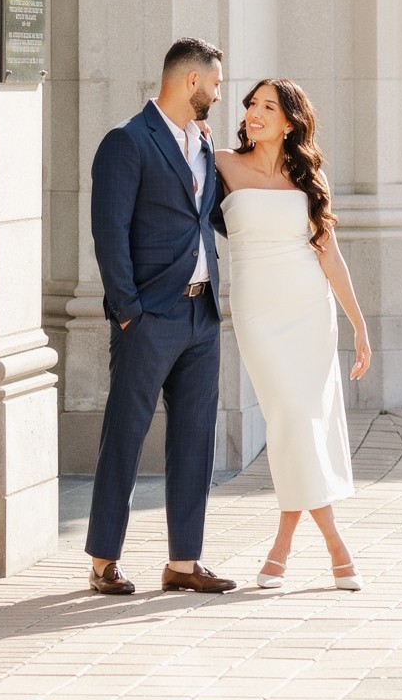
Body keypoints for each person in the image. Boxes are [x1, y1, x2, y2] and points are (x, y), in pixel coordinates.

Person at [85, 37, 238, 596]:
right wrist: (129, 313)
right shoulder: (127, 142)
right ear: (191, 81)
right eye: (216, 84)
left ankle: (184, 560)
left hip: (202, 315)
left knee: (195, 439)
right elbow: (110, 235)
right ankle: (104, 559)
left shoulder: (204, 142)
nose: (220, 95)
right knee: (124, 436)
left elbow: (214, 218)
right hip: (149, 318)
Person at [214, 78, 371, 590]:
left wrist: (359, 324)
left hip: (310, 311)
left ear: (289, 121)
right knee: (292, 420)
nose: (254, 114)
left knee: (298, 425)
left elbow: (328, 253)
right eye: (251, 105)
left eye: (268, 107)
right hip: (258, 315)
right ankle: (336, 548)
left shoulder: (308, 176)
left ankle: (281, 554)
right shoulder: (220, 163)